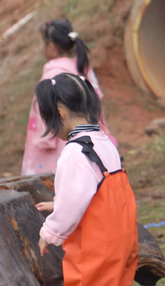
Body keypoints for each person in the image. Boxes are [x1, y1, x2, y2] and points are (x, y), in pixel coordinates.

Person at [34, 73, 139, 286]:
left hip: (94, 248)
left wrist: (50, 229)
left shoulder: (73, 153)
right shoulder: (104, 142)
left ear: (61, 113)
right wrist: (61, 200)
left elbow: (73, 203)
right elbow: (94, 190)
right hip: (121, 243)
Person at [23, 20, 117, 176]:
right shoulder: (82, 67)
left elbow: (45, 110)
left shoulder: (52, 75)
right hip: (88, 137)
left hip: (58, 144)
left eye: (41, 42)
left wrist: (44, 139)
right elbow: (96, 100)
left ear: (51, 47)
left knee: (57, 181)